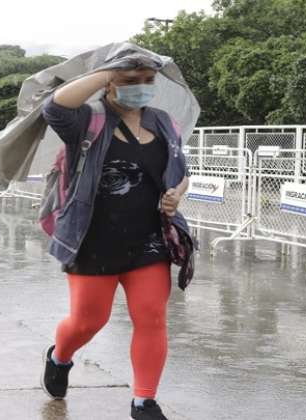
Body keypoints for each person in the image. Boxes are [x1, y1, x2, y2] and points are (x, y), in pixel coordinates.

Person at [40, 64, 191, 420]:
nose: (140, 88)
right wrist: (108, 71)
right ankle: (59, 357)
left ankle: (144, 402)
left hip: (150, 239)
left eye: (147, 81)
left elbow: (181, 171)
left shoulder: (164, 122)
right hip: (92, 239)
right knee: (88, 321)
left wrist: (176, 194)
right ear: (109, 85)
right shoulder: (87, 121)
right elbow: (54, 108)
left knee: (152, 317)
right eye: (129, 82)